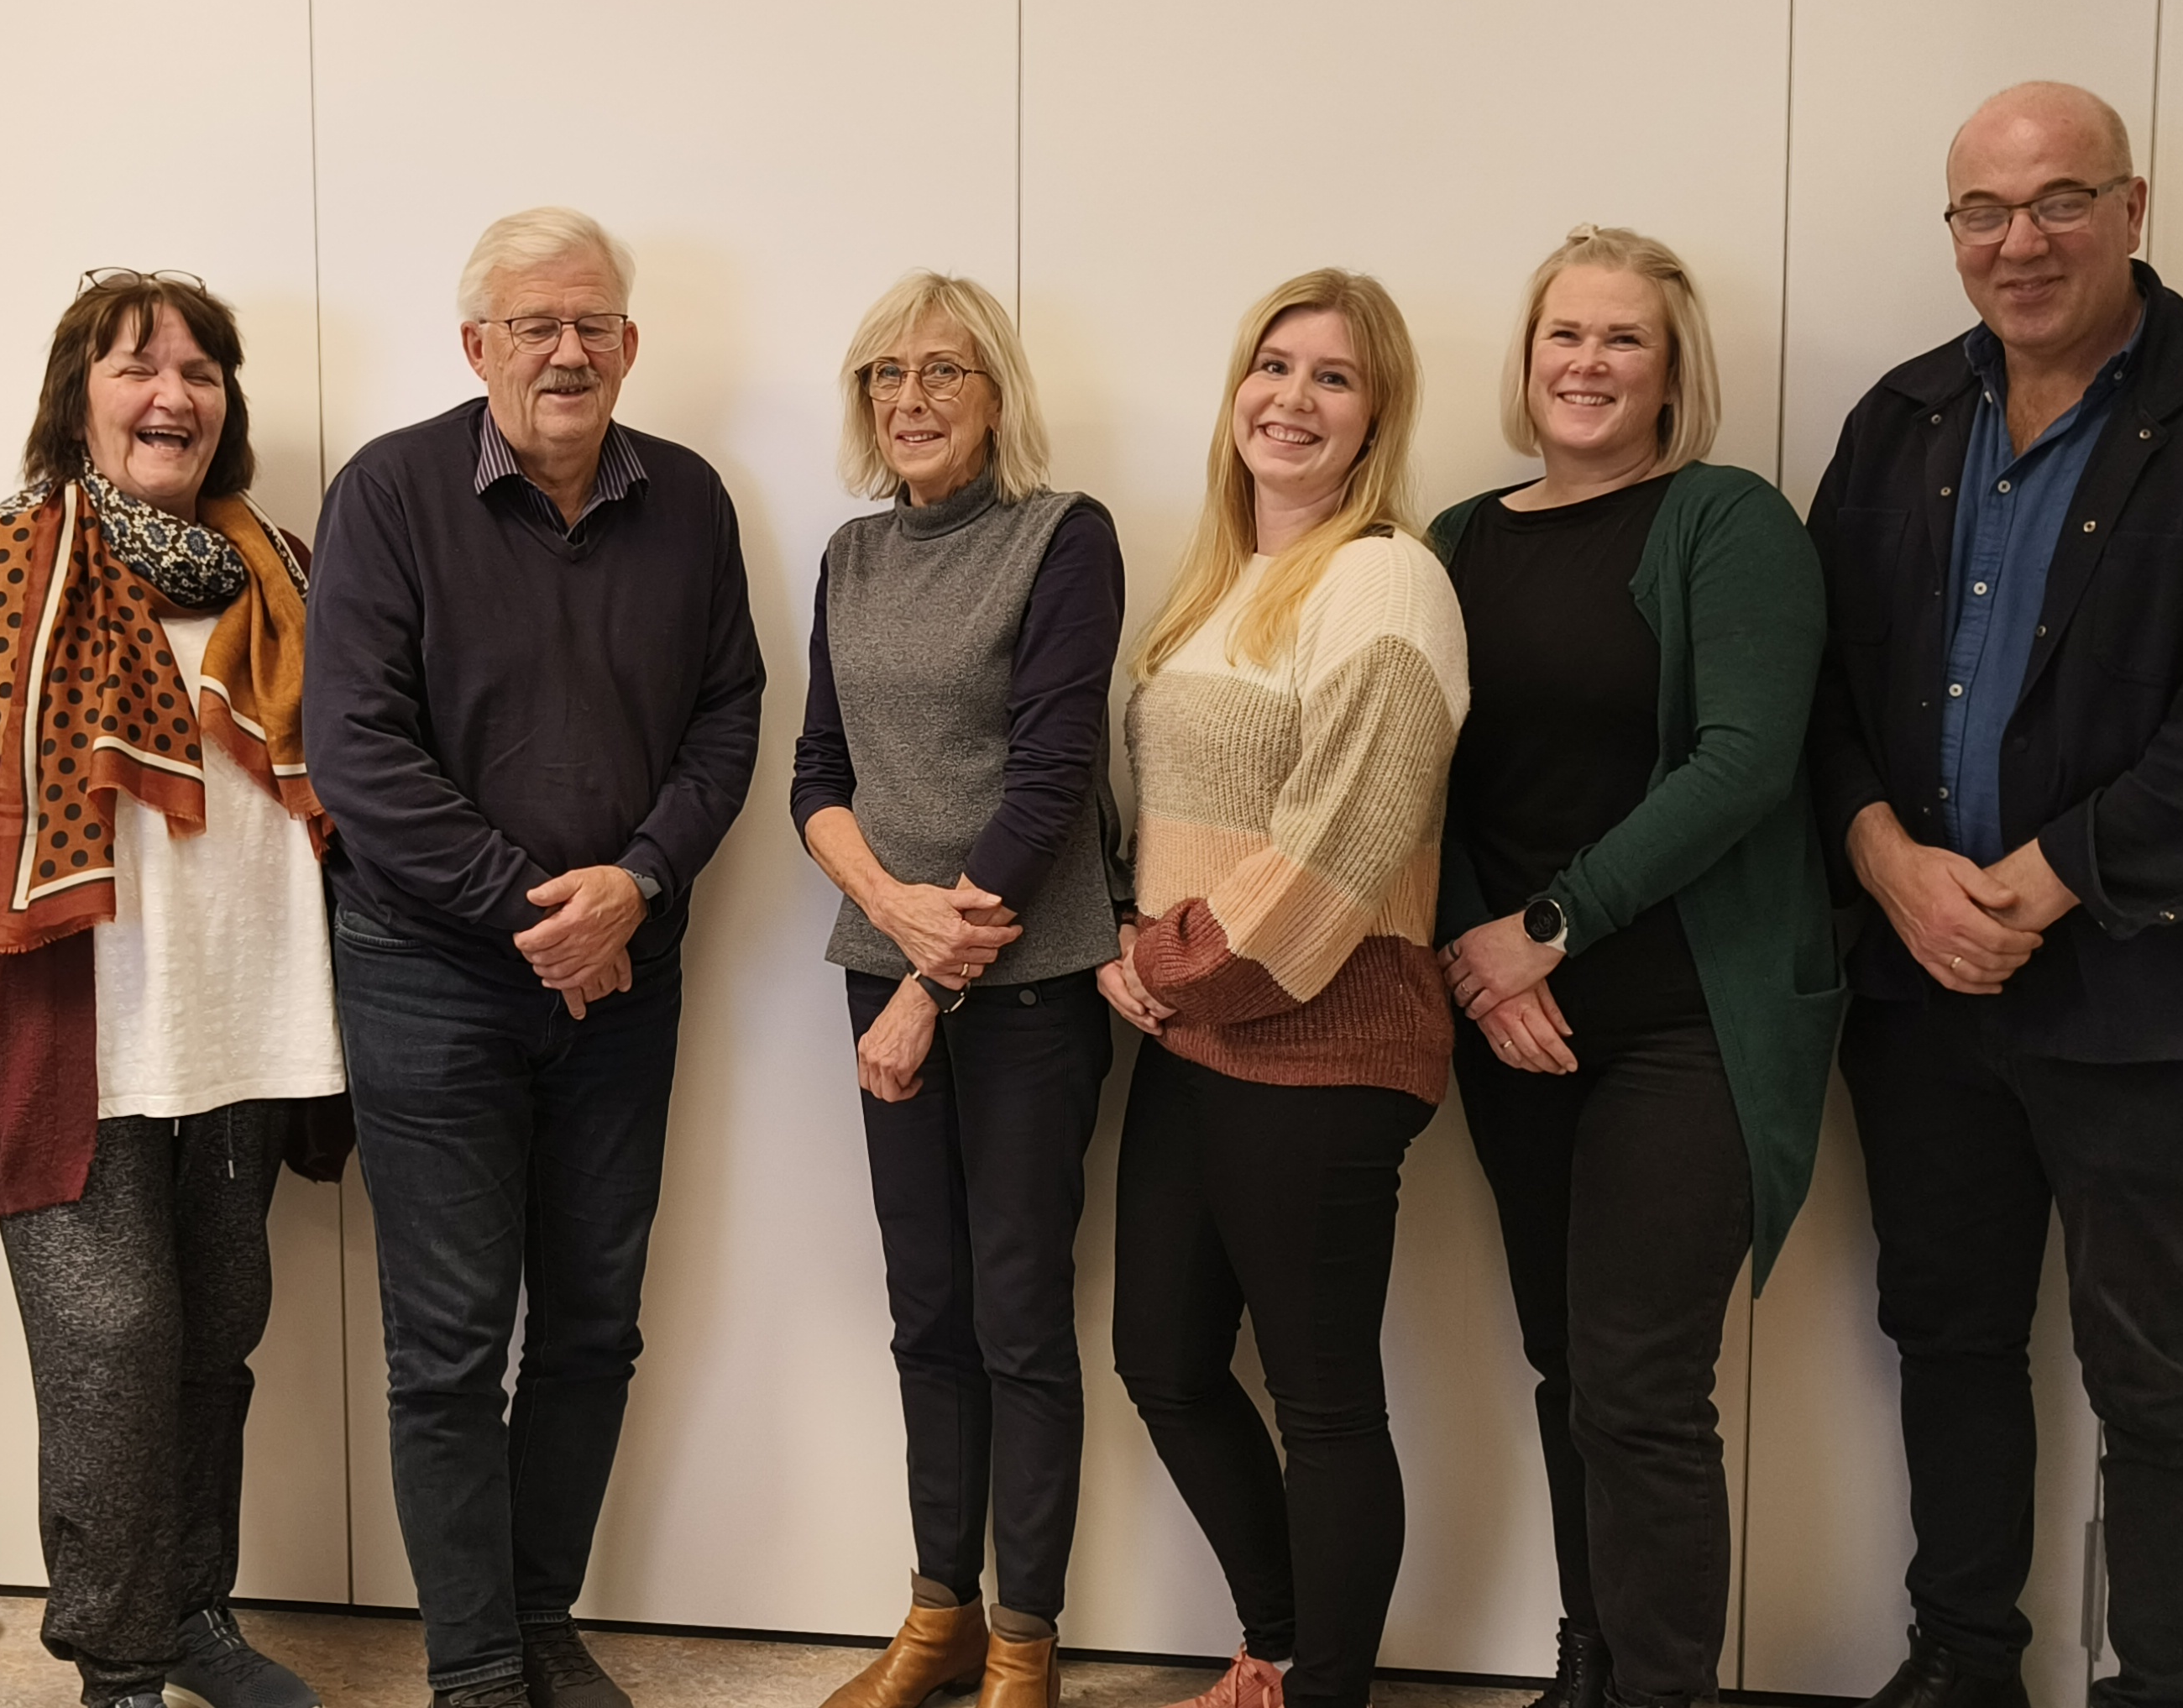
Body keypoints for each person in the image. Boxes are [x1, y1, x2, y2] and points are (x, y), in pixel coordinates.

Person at [1806, 83, 2183, 1708]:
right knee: (1951, 1342)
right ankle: (1963, 1664)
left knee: (2162, 1379)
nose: (2018, 244)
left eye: (2059, 202)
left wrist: (2050, 879)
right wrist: (1882, 856)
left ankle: (2173, 1690)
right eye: (1982, 213)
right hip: (1925, 992)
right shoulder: (1903, 420)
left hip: (2154, 1003)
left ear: (2135, 207)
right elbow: (1822, 685)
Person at [0, 270, 344, 1708]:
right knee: (114, 1356)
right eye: (133, 368)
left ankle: (193, 1615)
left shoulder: (288, 573)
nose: (170, 396)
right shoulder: (2, 566)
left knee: (216, 1340)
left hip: (250, 1033)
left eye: (199, 370)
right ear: (78, 399)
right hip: (70, 1044)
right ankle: (116, 1664)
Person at [305, 207, 766, 1708]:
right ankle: (476, 1664)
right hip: (428, 976)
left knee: (589, 1325)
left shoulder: (689, 502)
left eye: (593, 326)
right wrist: (536, 912)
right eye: (533, 327)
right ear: (476, 347)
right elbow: (357, 751)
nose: (568, 352)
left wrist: (633, 886)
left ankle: (539, 1615)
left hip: (626, 977)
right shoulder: (390, 494)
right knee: (446, 1341)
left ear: (630, 344)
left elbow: (728, 717)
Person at [1427, 228, 1840, 1708]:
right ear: (1526, 359)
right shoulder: (1459, 539)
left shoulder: (1728, 520)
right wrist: (1492, 963)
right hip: (1511, 1013)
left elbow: (1743, 764)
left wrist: (1547, 926)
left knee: (1642, 1385)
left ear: (1675, 373)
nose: (1588, 366)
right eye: (1564, 337)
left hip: (1687, 1020)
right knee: (1564, 1367)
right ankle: (1585, 1664)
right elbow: (1428, 779)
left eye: (1624, 341)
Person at [1105, 270, 1468, 1708]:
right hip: (1198, 1033)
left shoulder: (1387, 575)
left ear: (1376, 415)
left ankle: (1322, 1691)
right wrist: (1149, 968)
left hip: (1324, 1041)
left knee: (1322, 1400)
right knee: (1165, 1357)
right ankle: (1271, 1645)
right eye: (1273, 365)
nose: (1292, 399)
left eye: (1334, 377)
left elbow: (1351, 829)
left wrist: (1167, 969)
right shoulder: (1219, 585)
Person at [789, 273, 1126, 1708]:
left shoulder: (1065, 537)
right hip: (885, 976)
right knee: (924, 1312)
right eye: (886, 377)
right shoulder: (853, 556)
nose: (912, 401)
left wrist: (932, 980)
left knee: (1016, 1319)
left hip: (1031, 993)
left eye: (944, 373)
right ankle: (936, 1615)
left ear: (997, 395)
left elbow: (1052, 779)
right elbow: (816, 777)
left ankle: (1024, 1644)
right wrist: (886, 913)